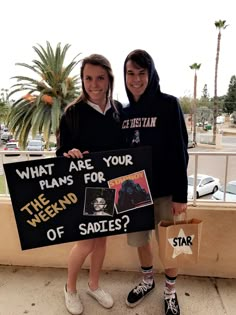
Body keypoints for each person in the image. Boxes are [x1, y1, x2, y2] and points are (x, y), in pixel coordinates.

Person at [56, 54, 126, 315]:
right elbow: (60, 152)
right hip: (83, 188)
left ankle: (94, 285)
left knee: (102, 239)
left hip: (111, 187)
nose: (94, 84)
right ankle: (70, 288)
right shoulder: (73, 112)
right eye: (88, 78)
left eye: (100, 78)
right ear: (82, 80)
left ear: (109, 79)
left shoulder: (118, 110)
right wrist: (69, 153)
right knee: (86, 242)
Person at [122, 49, 189, 315]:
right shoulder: (123, 112)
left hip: (165, 192)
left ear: (151, 74)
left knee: (171, 246)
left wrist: (181, 196)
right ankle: (148, 281)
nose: (136, 79)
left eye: (141, 73)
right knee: (141, 242)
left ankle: (170, 292)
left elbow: (181, 150)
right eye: (130, 73)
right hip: (132, 193)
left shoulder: (169, 105)